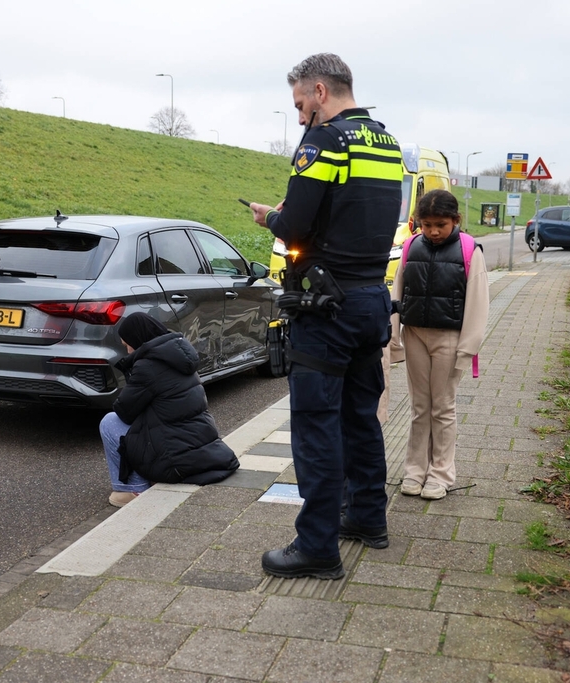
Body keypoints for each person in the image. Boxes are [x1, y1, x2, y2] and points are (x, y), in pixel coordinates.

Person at [248, 54, 403, 580]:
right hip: (369, 302)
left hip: (326, 307)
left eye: (299, 105)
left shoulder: (324, 141)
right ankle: (366, 519)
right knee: (362, 418)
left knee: (316, 425)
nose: (298, 118)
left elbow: (295, 227)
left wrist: (271, 216)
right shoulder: (387, 142)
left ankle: (316, 547)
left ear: (319, 90)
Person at [392, 189, 489, 500]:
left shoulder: (470, 251)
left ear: (455, 220)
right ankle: (414, 471)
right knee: (420, 407)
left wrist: (467, 349)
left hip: (450, 337)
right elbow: (397, 293)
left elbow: (478, 303)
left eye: (440, 224)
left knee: (443, 407)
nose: (433, 231)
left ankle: (441, 474)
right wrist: (394, 338)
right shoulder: (410, 247)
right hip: (415, 334)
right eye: (426, 224)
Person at [100, 312, 240, 507]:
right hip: (203, 448)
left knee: (109, 422)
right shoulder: (180, 357)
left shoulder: (147, 366)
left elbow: (124, 410)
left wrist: (130, 370)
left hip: (175, 460)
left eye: (127, 344)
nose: (128, 351)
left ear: (137, 340)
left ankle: (133, 490)